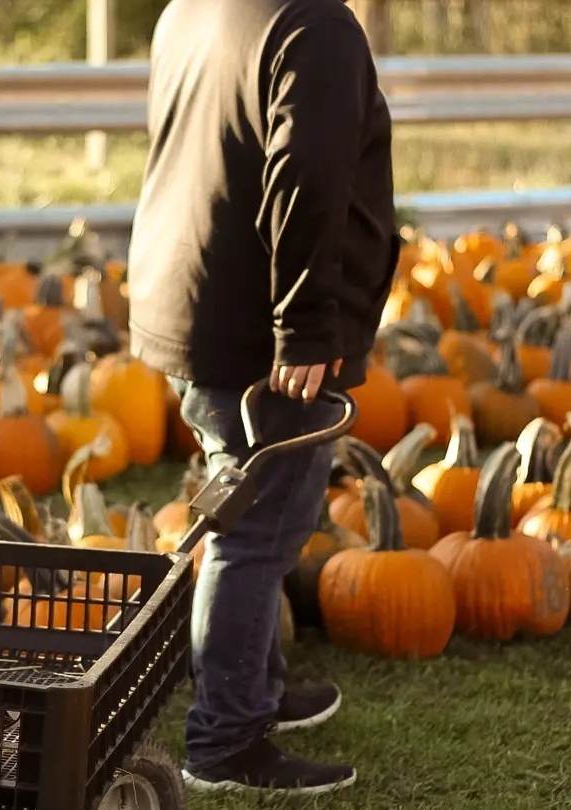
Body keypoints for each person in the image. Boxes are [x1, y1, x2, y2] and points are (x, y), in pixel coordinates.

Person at [127, 0, 398, 795]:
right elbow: (305, 173)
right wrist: (305, 327)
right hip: (258, 329)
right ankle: (225, 741)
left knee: (254, 515)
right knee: (261, 532)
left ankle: (256, 690)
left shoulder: (193, 9)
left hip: (190, 299)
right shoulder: (315, 25)